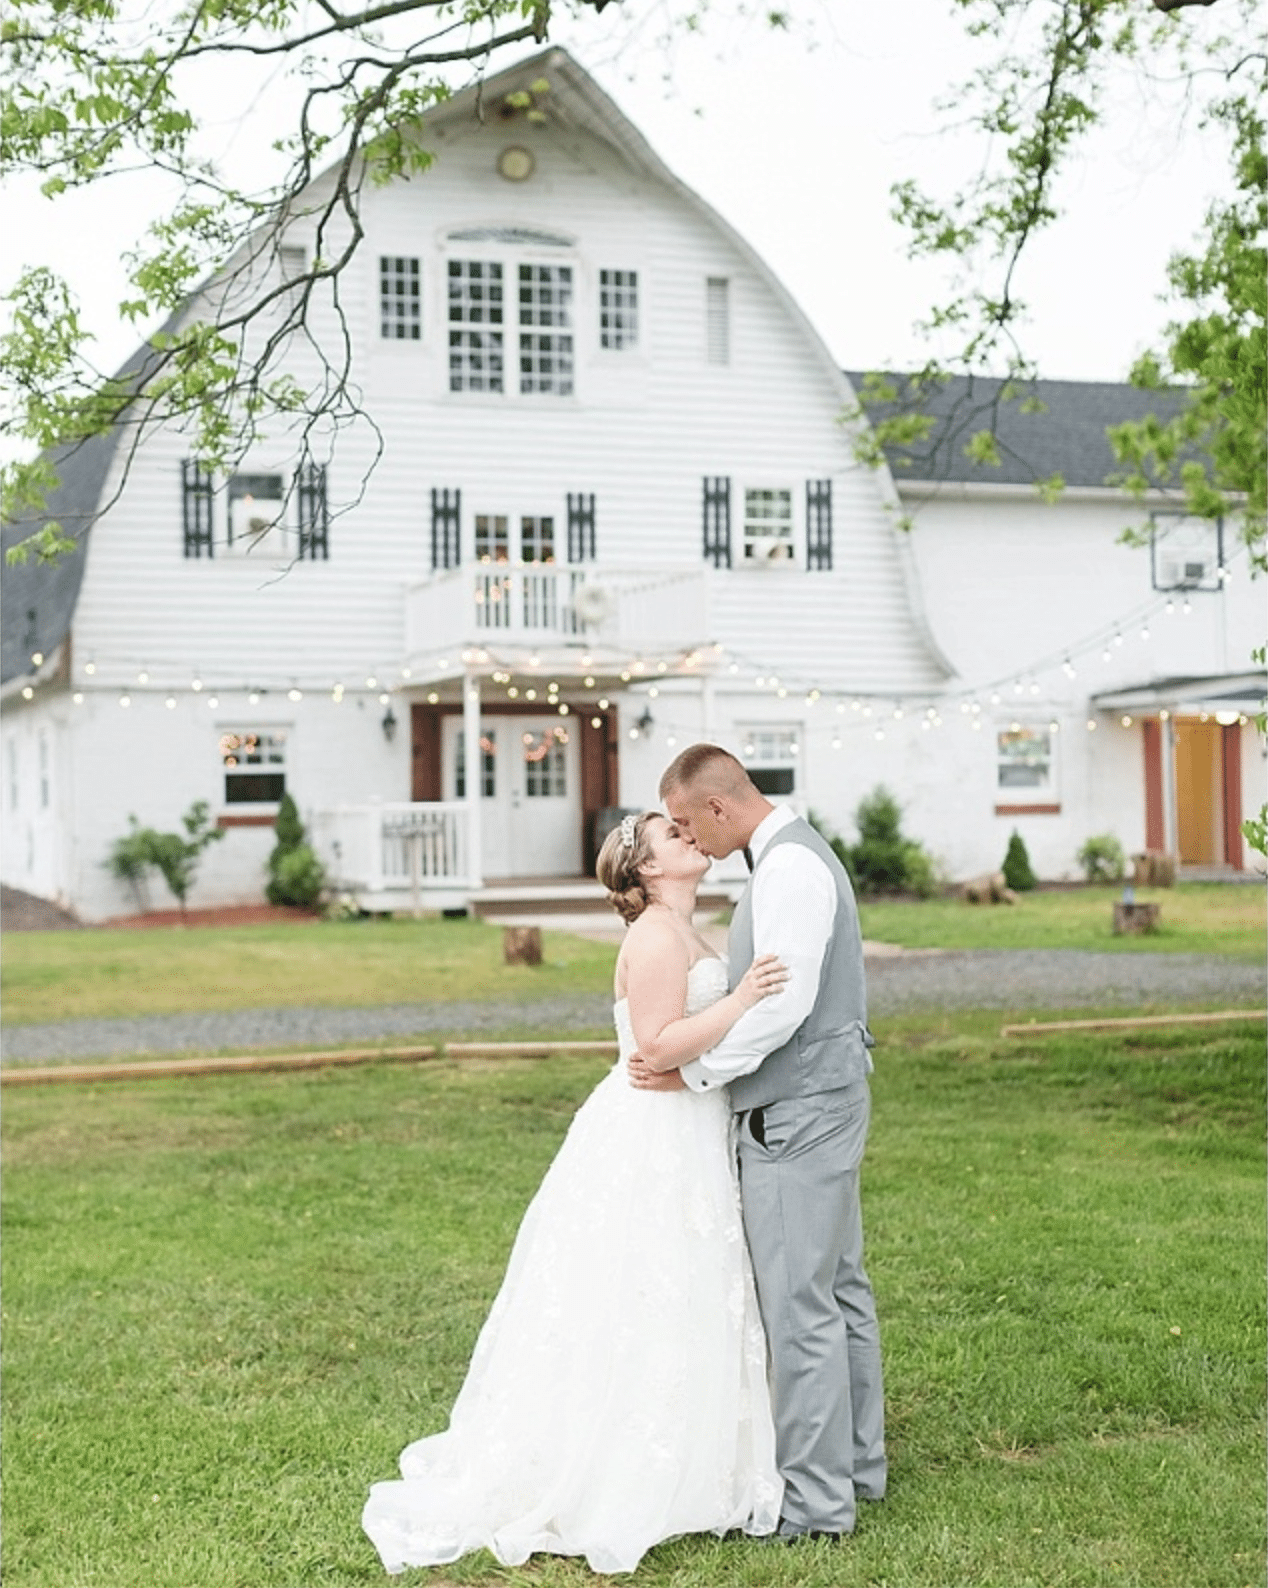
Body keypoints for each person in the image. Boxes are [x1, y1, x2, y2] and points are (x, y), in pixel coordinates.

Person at [361, 811, 788, 1576]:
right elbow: (655, 1046)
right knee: (642, 1285)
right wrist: (743, 999)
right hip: (653, 1133)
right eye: (670, 833)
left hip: (685, 1121)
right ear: (648, 869)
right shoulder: (657, 937)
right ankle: (620, 1464)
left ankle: (690, 1453)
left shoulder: (684, 928)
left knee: (685, 1286)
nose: (688, 835)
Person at [630, 744, 886, 1540]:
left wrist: (699, 1074)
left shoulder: (789, 872)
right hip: (826, 1098)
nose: (686, 838)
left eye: (683, 823)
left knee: (802, 1305)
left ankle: (814, 1505)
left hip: (799, 1110)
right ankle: (858, 1467)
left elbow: (782, 1009)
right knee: (839, 1290)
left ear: (715, 808)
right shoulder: (787, 858)